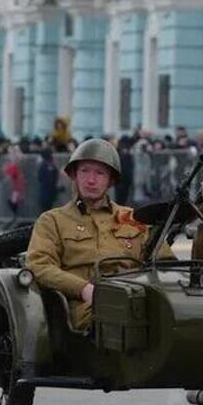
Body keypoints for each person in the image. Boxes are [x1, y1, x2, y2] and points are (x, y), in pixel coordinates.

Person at [26, 138, 155, 331]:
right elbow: (40, 265)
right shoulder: (52, 220)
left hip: (134, 299)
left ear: (111, 180)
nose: (91, 180)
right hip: (85, 307)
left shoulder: (133, 218)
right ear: (74, 175)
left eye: (100, 173)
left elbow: (166, 261)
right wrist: (83, 289)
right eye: (85, 171)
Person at [36, 147, 60, 214]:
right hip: (47, 194)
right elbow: (49, 181)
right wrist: (56, 189)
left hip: (46, 193)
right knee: (45, 212)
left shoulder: (46, 165)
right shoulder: (47, 166)